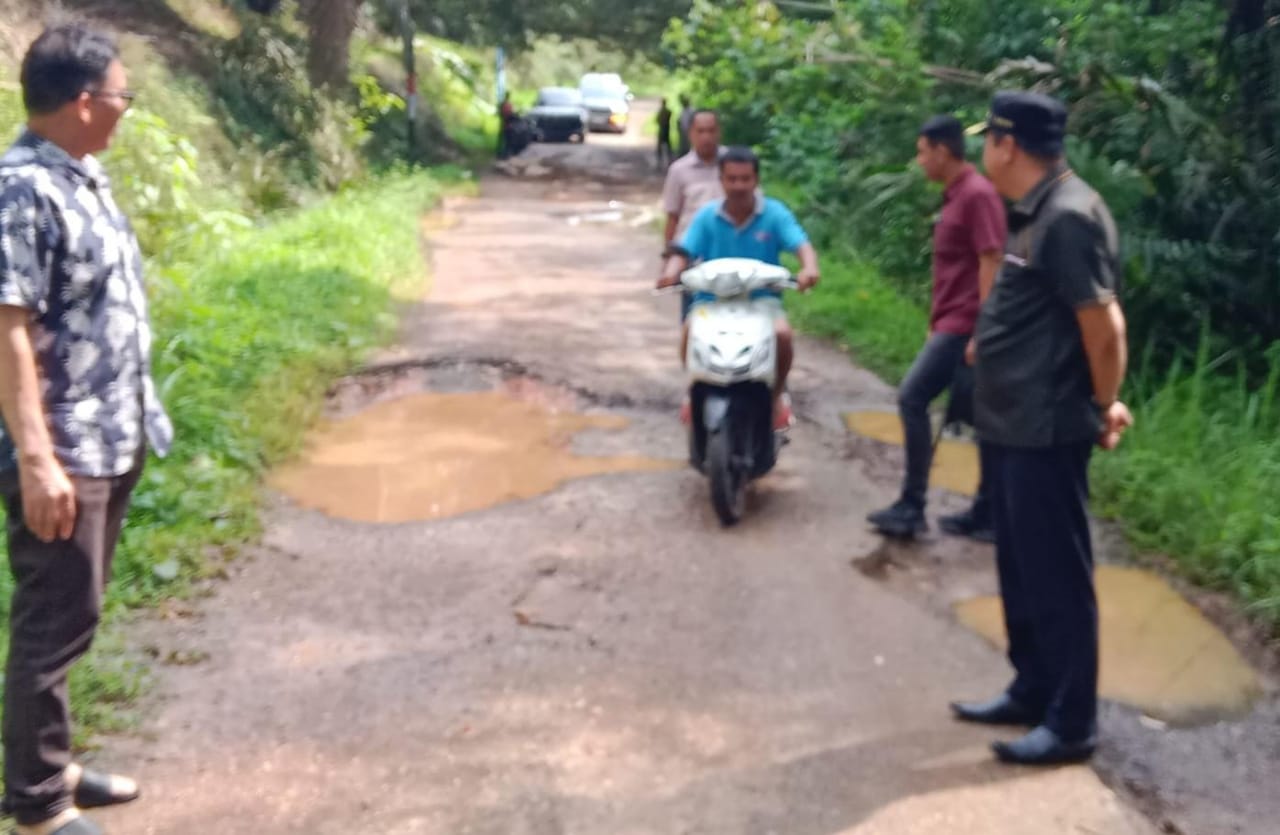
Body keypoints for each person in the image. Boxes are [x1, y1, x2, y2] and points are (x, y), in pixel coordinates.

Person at [0, 23, 174, 835]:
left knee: (79, 609)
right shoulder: (20, 189)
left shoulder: (82, 174)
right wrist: (38, 460)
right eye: (120, 95)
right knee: (53, 618)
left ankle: (52, 762)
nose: (125, 108)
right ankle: (37, 805)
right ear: (82, 101)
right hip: (66, 449)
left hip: (113, 433)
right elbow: (6, 329)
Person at [950, 92, 1132, 766]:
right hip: (1008, 424)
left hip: (1046, 427)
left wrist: (1104, 403)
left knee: (1057, 574)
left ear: (1006, 144)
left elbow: (1104, 325)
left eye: (986, 140)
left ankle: (1072, 720)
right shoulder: (1031, 210)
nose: (981, 153)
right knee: (1020, 567)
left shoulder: (1069, 217)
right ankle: (1032, 687)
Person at [867, 115, 1005, 539]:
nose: (919, 159)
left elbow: (992, 261)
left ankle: (913, 504)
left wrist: (983, 331)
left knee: (912, 398)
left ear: (943, 152)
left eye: (923, 151)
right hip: (951, 321)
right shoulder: (955, 195)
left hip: (966, 323)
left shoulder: (977, 195)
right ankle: (986, 511)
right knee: (977, 415)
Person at [657, 147, 820, 427]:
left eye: (745, 179)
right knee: (689, 331)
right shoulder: (707, 216)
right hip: (712, 301)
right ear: (721, 180)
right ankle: (693, 390)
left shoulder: (774, 213)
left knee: (782, 335)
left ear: (756, 180)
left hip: (762, 301)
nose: (738, 186)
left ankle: (776, 396)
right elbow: (684, 250)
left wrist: (809, 268)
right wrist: (671, 273)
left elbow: (801, 243)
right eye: (731, 179)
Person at [660, 110, 726, 321]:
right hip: (691, 257)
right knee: (693, 320)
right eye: (700, 131)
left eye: (711, 131)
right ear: (691, 134)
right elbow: (673, 216)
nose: (706, 137)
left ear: (719, 132)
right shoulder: (679, 171)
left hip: (728, 253)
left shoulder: (733, 164)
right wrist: (668, 261)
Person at [656, 99, 674, 168]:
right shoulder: (668, 111)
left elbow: (657, 120)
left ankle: (660, 161)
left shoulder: (661, 111)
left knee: (660, 147)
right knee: (668, 146)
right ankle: (669, 160)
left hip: (662, 130)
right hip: (666, 130)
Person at [497, 92, 516, 159]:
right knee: (507, 141)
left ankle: (500, 154)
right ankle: (504, 154)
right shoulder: (508, 105)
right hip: (507, 125)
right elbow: (511, 114)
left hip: (504, 125)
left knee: (503, 140)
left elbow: (500, 113)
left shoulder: (503, 104)